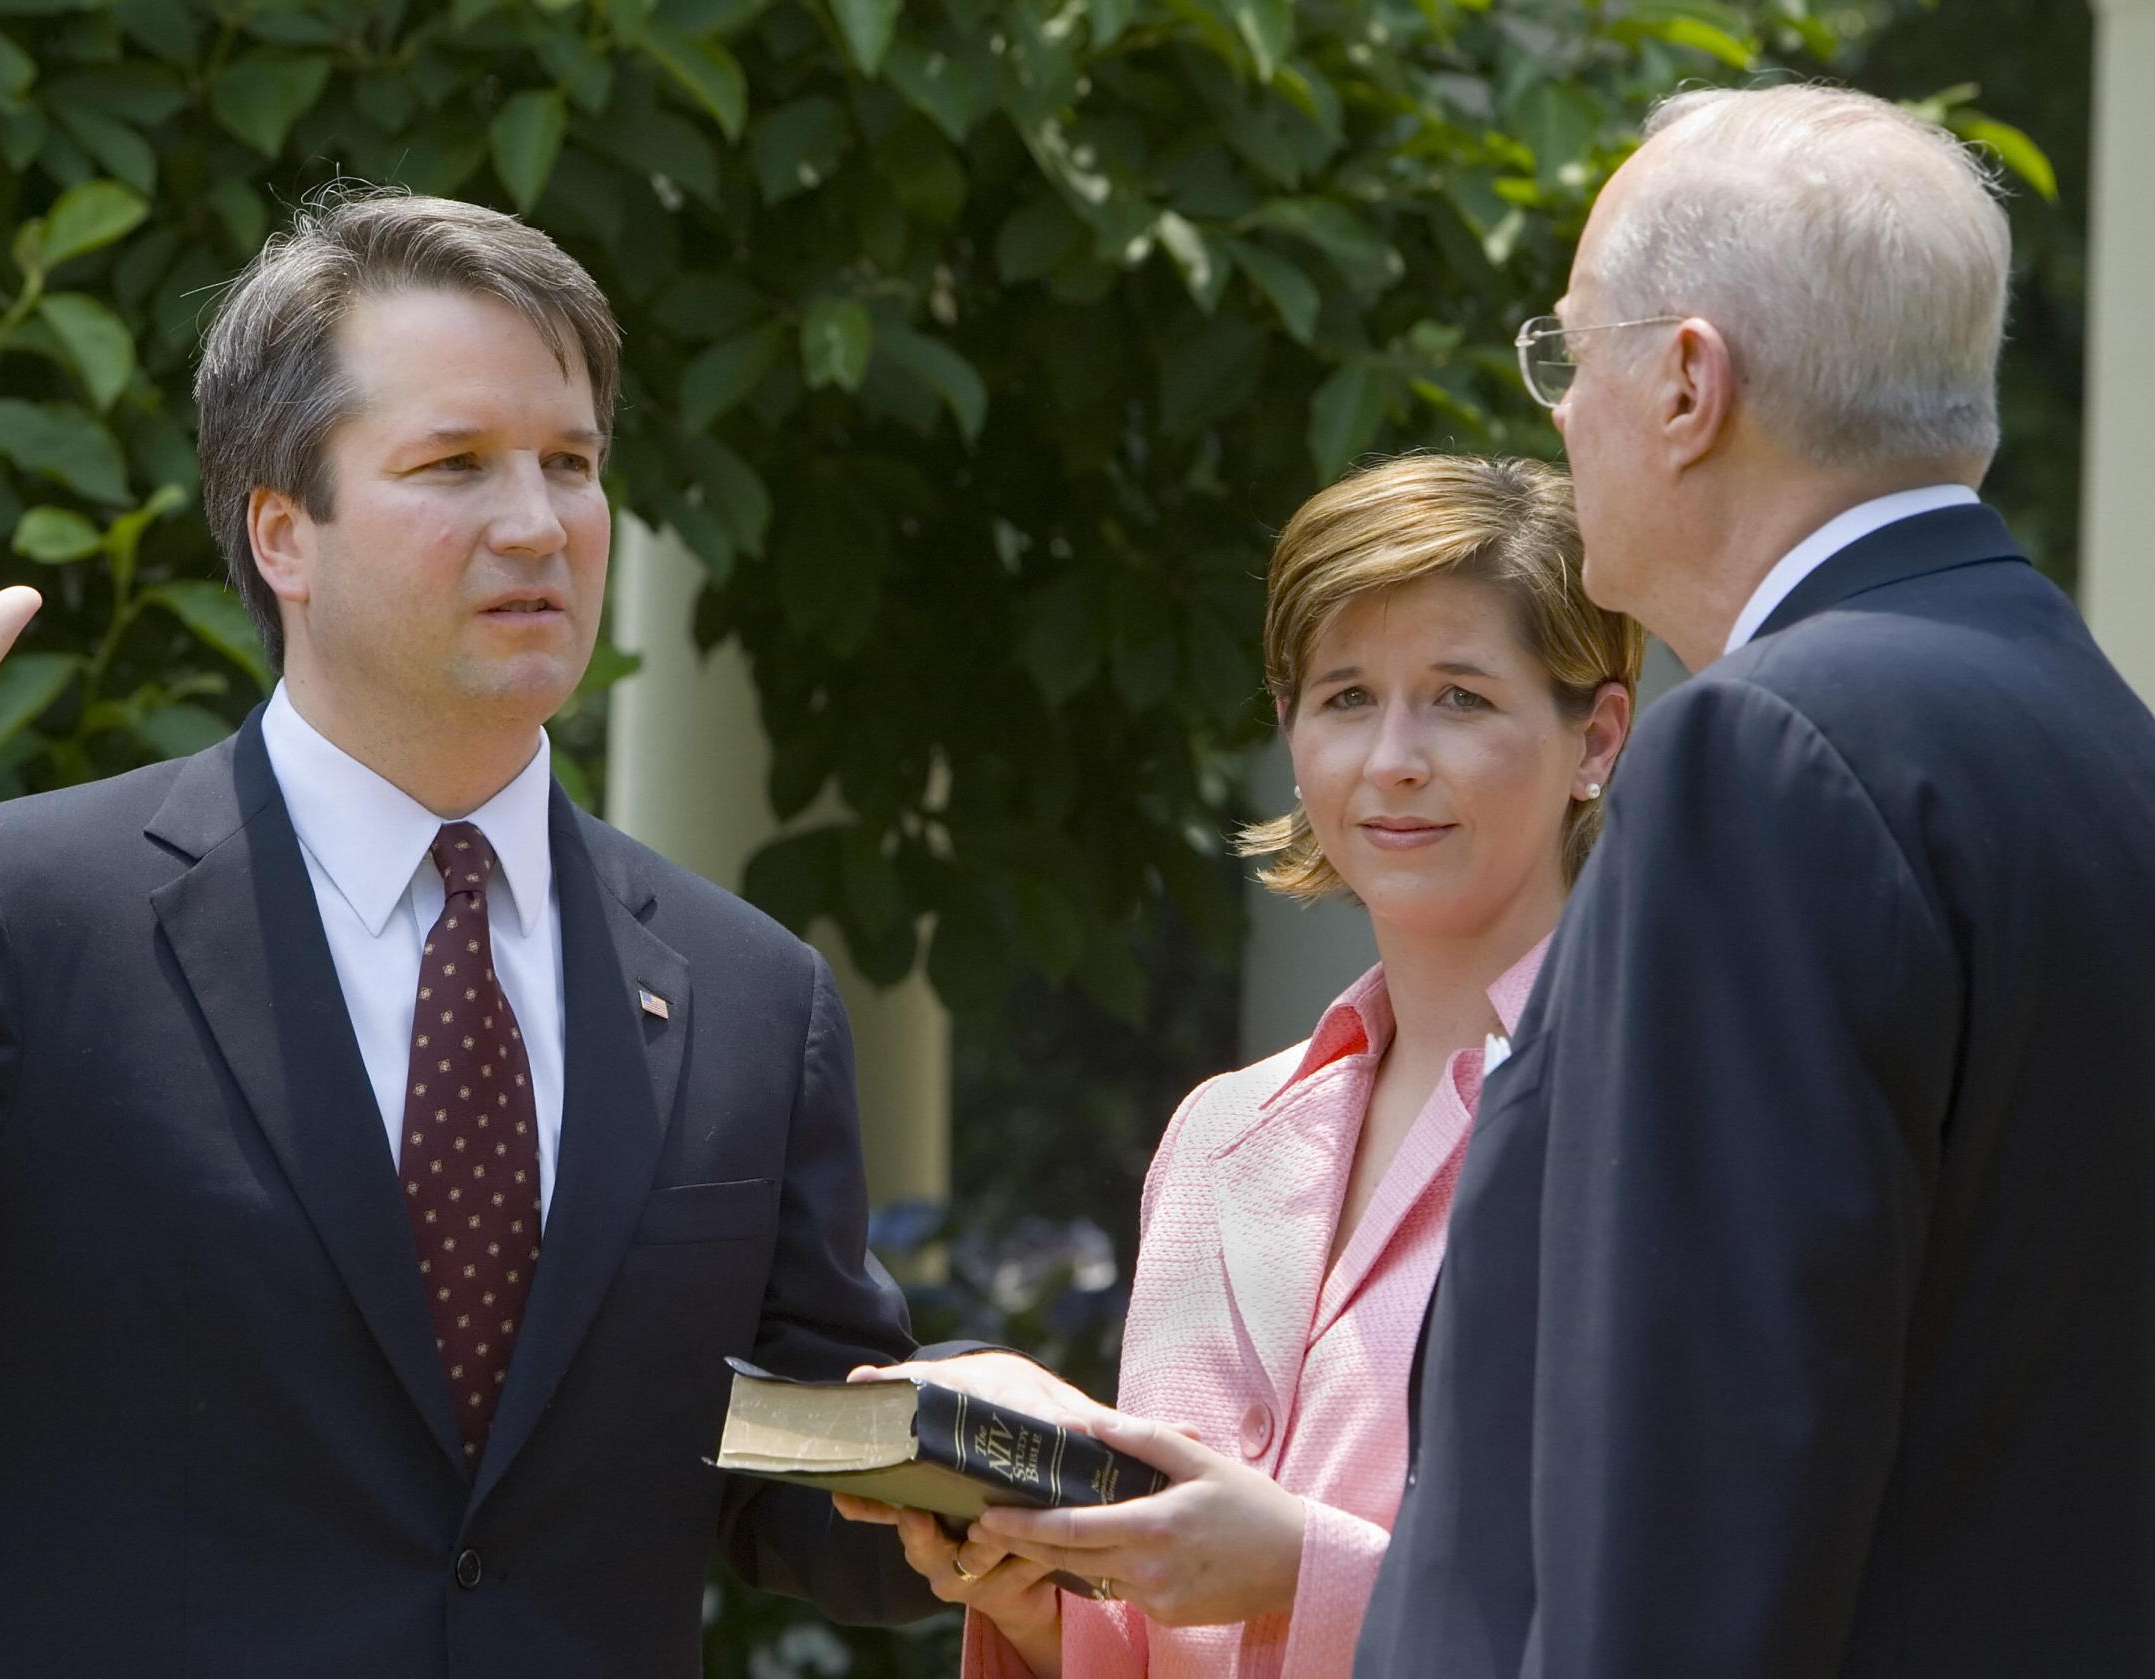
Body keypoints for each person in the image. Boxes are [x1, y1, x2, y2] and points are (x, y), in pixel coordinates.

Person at [0, 189, 1052, 1676]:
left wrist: (989, 1454)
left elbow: (792, 1478)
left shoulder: (751, 990)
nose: (539, 522)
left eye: (569, 462)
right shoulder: (29, 914)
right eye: (453, 463)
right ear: (283, 535)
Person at [1356, 85, 2155, 1679]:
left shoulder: (1760, 754)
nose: (1559, 412)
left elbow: (1693, 1491)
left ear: (1687, 386)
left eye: (1572, 352)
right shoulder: (2096, 733)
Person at [840, 454, 1641, 1677]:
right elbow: (1154, 1635)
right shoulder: (1219, 1135)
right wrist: (1033, 1590)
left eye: (1461, 698)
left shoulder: (1649, 1122)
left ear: (1597, 736)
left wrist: (1302, 1570)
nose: (1392, 757)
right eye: (1344, 696)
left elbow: (1674, 1597)